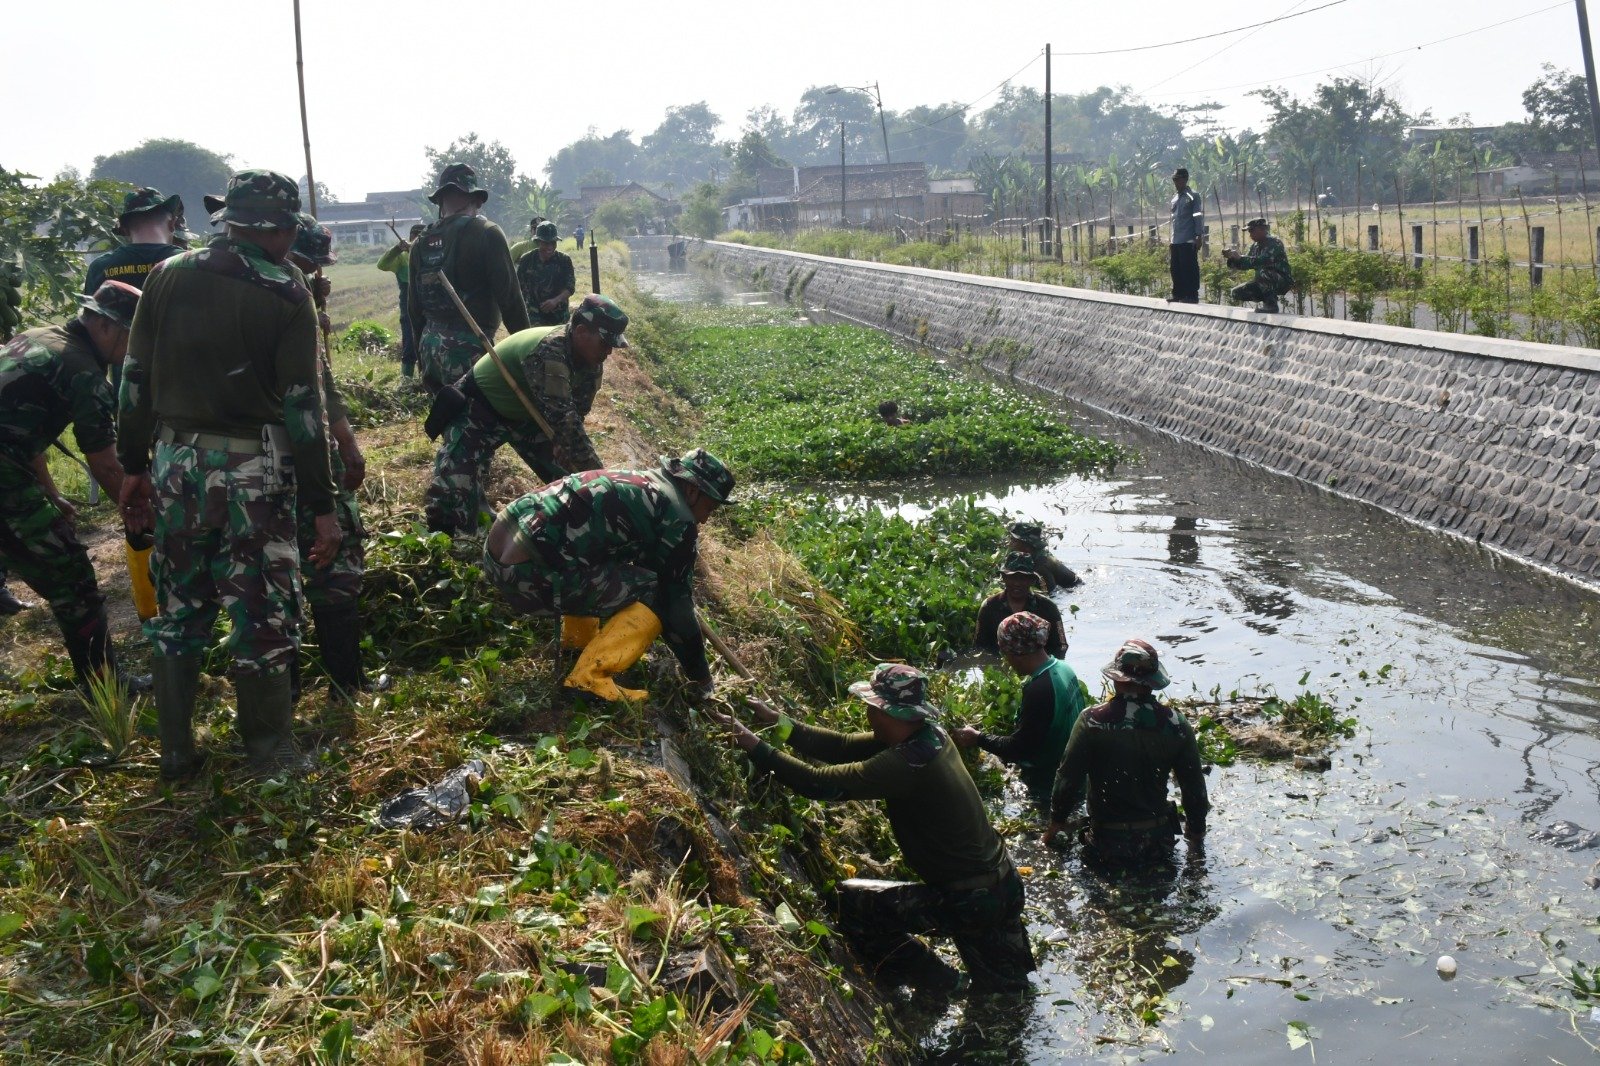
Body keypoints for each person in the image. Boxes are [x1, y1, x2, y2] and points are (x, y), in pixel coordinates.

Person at [118, 169, 342, 780]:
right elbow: (303, 408)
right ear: (282, 230)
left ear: (230, 221)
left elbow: (134, 379)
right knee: (262, 608)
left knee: (182, 603)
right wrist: (323, 506)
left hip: (174, 464)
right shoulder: (286, 288)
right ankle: (270, 758)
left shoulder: (167, 275)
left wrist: (134, 466)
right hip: (254, 471)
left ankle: (176, 754)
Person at [708, 663, 1035, 993]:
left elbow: (817, 783)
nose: (866, 714)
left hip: (970, 900)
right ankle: (961, 992)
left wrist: (753, 745)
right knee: (1007, 994)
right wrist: (779, 723)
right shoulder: (929, 736)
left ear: (885, 712)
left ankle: (940, 983)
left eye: (869, 707)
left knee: (853, 904)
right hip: (1003, 884)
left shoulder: (906, 763)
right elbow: (843, 746)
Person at [483, 448, 732, 702]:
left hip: (494, 558)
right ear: (692, 491)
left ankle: (577, 645)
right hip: (528, 579)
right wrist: (701, 677)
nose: (704, 520)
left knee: (597, 559)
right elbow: (675, 603)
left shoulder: (636, 480)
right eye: (709, 509)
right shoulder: (678, 517)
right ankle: (591, 679)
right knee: (656, 592)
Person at [0, 280, 147, 691]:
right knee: (72, 577)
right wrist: (139, 506)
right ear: (106, 326)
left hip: (11, 465)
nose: (134, 348)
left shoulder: (35, 338)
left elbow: (24, 428)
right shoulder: (83, 372)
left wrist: (50, 492)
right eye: (132, 336)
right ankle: (104, 685)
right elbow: (104, 461)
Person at [423, 294, 625, 534]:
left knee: (573, 479)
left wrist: (568, 451)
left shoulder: (593, 361)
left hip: (528, 418)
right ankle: (450, 539)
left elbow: (575, 418)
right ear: (581, 332)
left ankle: (577, 531)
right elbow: (565, 422)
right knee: (453, 493)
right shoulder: (549, 352)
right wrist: (603, 483)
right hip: (480, 410)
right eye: (605, 343)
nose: (609, 352)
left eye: (613, 345)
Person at [285, 216, 368, 703]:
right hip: (298, 448)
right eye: (308, 262)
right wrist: (342, 443)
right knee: (333, 555)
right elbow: (313, 392)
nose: (312, 272)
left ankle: (286, 693)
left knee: (270, 574)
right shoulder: (286, 298)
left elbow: (322, 381)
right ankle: (345, 686)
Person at [1044, 639, 1209, 871]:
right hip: (1158, 845)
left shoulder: (1092, 721)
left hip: (1106, 843)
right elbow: (1194, 789)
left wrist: (1057, 822)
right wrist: (1197, 834)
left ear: (1115, 679)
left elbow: (1067, 779)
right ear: (1152, 683)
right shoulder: (1176, 724)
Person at [407, 163, 530, 394]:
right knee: (479, 423)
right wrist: (528, 356)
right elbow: (511, 301)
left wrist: (421, 359)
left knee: (447, 416)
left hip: (430, 347)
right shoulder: (487, 232)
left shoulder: (420, 243)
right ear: (475, 200)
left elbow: (414, 310)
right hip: (470, 349)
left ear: (440, 200)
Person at [952, 611, 1087, 805]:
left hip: (1048, 788)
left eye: (1003, 651)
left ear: (1015, 651)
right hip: (1074, 779)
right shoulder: (1063, 669)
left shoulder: (1040, 689)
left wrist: (978, 738)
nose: (1004, 658)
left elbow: (1020, 748)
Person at [83, 187, 186, 295]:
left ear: (124, 229)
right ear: (172, 223)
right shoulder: (191, 263)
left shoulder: (100, 268)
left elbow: (91, 311)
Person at [974, 552, 1066, 658]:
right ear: (1003, 578)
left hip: (1038, 667)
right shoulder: (989, 606)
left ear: (1032, 580)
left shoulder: (1048, 607)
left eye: (1022, 578)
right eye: (1012, 577)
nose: (1017, 583)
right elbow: (980, 646)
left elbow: (1061, 647)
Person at [378, 222, 427, 378]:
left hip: (429, 305)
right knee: (409, 342)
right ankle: (407, 380)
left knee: (428, 342)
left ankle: (426, 378)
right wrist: (398, 248)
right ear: (410, 237)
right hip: (408, 305)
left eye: (421, 236)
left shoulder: (430, 255)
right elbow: (382, 265)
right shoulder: (402, 257)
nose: (418, 239)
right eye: (415, 236)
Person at [1223, 218, 1292, 314]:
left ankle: (1271, 305)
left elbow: (1262, 261)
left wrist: (1241, 257)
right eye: (1249, 231)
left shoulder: (1274, 243)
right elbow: (1246, 264)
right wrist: (1233, 259)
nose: (1250, 235)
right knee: (1236, 292)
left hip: (1281, 280)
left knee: (1264, 272)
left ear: (1262, 229)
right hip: (1263, 280)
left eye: (1252, 231)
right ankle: (1266, 299)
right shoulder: (1255, 246)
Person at [517, 221, 577, 327]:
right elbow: (519, 287)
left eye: (553, 243)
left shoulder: (564, 260)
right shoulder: (526, 260)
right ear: (538, 242)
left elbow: (570, 287)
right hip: (534, 317)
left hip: (559, 317)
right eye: (546, 243)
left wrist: (555, 301)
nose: (549, 247)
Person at [1007, 520, 1078, 591]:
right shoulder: (1033, 555)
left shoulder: (1040, 566)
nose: (1009, 544)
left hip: (1073, 588)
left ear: (1027, 546)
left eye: (1014, 541)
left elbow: (1051, 592)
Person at [1168, 168, 1203, 304]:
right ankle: (1178, 294)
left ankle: (1191, 295)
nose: (1176, 182)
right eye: (1174, 180)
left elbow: (1197, 216)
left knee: (1189, 267)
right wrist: (1171, 239)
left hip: (1188, 239)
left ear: (1185, 179)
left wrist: (1199, 236)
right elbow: (1174, 220)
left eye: (1178, 179)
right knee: (1175, 268)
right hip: (1176, 239)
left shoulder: (1193, 196)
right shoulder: (1175, 198)